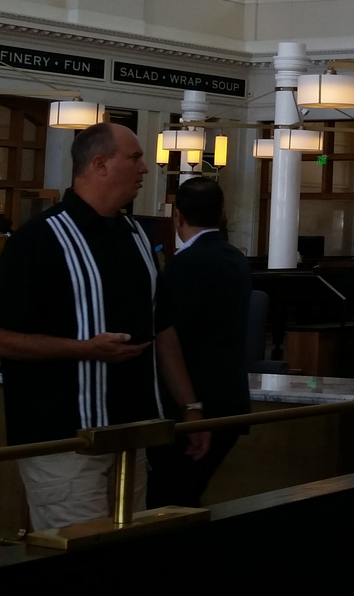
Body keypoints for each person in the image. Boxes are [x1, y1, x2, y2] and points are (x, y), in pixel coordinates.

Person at [0, 122, 161, 533]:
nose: (144, 168)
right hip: (64, 436)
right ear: (99, 164)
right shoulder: (39, 238)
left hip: (130, 430)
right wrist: (86, 349)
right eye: (134, 158)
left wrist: (188, 406)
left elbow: (161, 323)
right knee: (80, 550)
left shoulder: (135, 234)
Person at [147, 176, 252, 509]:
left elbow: (171, 335)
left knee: (166, 503)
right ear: (222, 211)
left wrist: (188, 407)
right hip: (230, 399)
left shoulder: (184, 265)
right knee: (186, 497)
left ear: (177, 215)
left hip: (193, 403)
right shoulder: (235, 258)